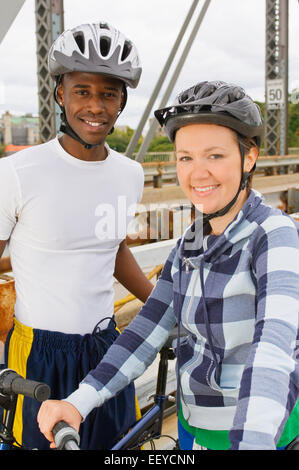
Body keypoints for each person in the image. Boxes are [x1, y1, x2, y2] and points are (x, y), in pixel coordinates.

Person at [37, 80, 299, 450]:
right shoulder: (190, 243)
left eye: (215, 155)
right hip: (195, 428)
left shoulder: (273, 235)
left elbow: (274, 345)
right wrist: (79, 401)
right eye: (185, 157)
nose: (198, 173)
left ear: (249, 157)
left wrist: (254, 440)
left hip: (261, 433)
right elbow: (145, 331)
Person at [0, 22, 154, 450]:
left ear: (122, 101)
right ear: (60, 95)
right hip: (38, 353)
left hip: (106, 349)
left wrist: (163, 306)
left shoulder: (129, 173)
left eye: (109, 93)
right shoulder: (16, 173)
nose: (96, 105)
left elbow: (114, 248)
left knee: (118, 448)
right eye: (82, 91)